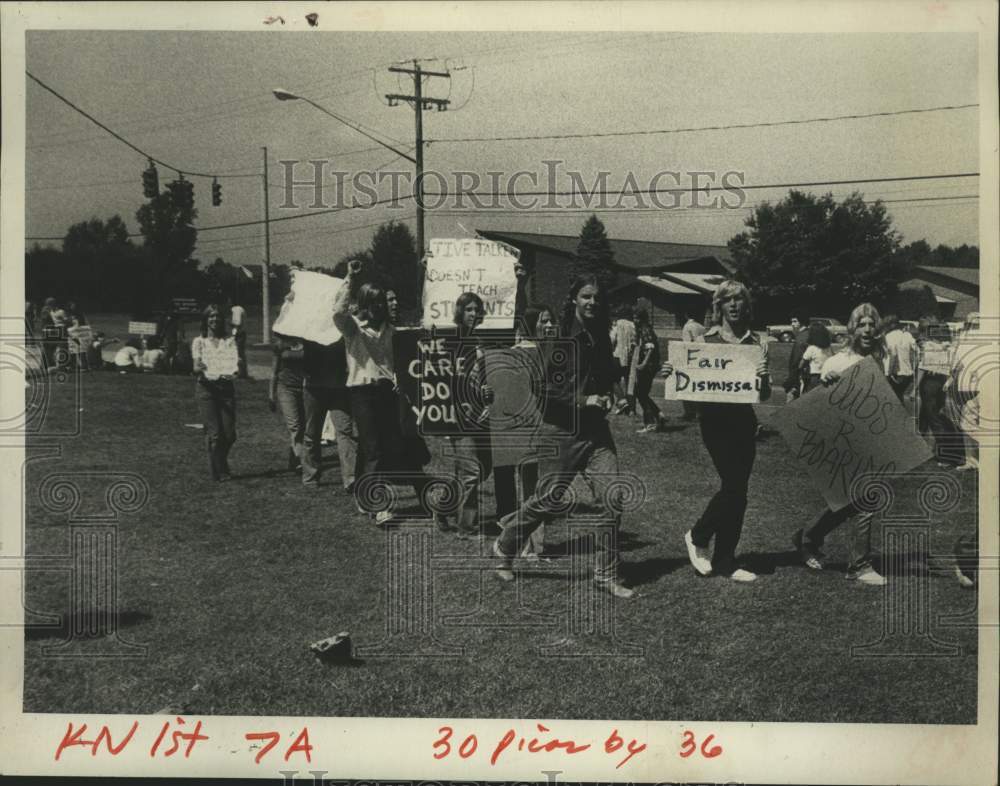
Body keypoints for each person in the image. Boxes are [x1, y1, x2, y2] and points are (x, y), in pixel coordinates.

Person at [492, 274, 635, 599]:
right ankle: (505, 545)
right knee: (546, 501)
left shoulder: (601, 334)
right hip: (561, 432)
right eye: (586, 296)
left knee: (612, 497)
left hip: (596, 432)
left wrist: (620, 394)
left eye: (597, 298)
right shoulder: (558, 340)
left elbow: (608, 373)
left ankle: (605, 574)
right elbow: (542, 390)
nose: (592, 303)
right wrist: (584, 401)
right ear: (574, 300)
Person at [663, 280, 770, 583]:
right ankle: (698, 536)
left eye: (739, 300)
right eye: (728, 300)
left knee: (739, 493)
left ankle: (725, 560)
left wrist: (763, 378)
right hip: (714, 423)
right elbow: (690, 386)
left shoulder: (755, 342)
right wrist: (672, 374)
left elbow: (760, 396)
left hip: (743, 422)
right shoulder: (705, 340)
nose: (734, 305)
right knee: (734, 486)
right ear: (719, 306)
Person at [333, 261, 443, 526]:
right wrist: (349, 277)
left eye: (381, 303)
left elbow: (406, 359)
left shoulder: (393, 332)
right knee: (373, 449)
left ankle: (366, 492)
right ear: (364, 304)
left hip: (387, 394)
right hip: (361, 393)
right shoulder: (354, 330)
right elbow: (337, 311)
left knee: (394, 446)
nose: (379, 308)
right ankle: (379, 506)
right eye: (373, 304)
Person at [792, 303, 889, 586]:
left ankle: (808, 538)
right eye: (862, 325)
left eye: (872, 325)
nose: (868, 330)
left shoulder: (882, 360)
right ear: (852, 329)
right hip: (841, 440)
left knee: (847, 503)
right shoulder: (836, 362)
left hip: (870, 438)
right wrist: (825, 383)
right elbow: (816, 406)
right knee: (865, 500)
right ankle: (859, 565)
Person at [447, 292, 496, 538]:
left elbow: (480, 374)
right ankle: (466, 527)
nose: (474, 314)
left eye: (477, 309)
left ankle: (442, 507)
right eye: (468, 309)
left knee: (485, 466)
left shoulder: (479, 341)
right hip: (459, 414)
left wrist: (485, 389)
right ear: (459, 311)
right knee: (471, 471)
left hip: (480, 412)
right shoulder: (450, 340)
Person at [300, 338, 358, 493]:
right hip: (315, 386)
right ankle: (310, 477)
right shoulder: (310, 331)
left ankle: (350, 478)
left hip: (338, 386)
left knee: (344, 431)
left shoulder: (340, 328)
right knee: (312, 432)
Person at [191, 304, 238, 481]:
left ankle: (220, 462)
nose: (215, 320)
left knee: (230, 434)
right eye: (211, 316)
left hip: (226, 389)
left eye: (218, 316)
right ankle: (217, 471)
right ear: (205, 319)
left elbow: (233, 363)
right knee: (215, 434)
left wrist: (234, 370)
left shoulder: (229, 341)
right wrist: (199, 367)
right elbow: (195, 366)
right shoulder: (199, 342)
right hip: (206, 389)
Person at [914, 319, 964, 467]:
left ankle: (947, 456)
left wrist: (914, 388)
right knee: (934, 417)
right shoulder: (948, 348)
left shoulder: (929, 347)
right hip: (941, 383)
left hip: (929, 383)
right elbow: (960, 366)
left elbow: (922, 369)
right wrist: (949, 381)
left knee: (934, 419)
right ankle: (926, 449)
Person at [268, 332, 307, 471]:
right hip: (285, 388)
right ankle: (300, 460)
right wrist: (271, 395)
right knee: (295, 425)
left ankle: (294, 455)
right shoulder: (280, 344)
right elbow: (274, 371)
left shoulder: (308, 340)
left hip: (305, 388)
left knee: (305, 425)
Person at [632, 305, 665, 433]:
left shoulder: (645, 329)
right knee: (642, 393)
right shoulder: (644, 329)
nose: (635, 320)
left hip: (648, 367)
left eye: (636, 318)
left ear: (641, 318)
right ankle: (658, 415)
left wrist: (643, 364)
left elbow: (650, 348)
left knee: (641, 393)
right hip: (651, 366)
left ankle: (650, 422)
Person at [882, 313, 917, 403]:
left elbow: (893, 355)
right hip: (907, 373)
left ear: (891, 325)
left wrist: (889, 373)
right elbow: (917, 350)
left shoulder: (889, 337)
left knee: (892, 400)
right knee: (898, 397)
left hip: (894, 373)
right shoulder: (907, 335)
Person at [679, 307, 707, 420]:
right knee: (697, 386)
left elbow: (687, 344)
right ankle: (699, 412)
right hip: (701, 359)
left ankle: (689, 412)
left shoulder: (687, 327)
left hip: (690, 358)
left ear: (686, 315)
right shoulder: (702, 327)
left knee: (685, 385)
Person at [610, 305, 636, 415]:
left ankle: (621, 400)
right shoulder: (633, 325)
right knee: (629, 383)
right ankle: (632, 409)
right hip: (630, 357)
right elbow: (635, 341)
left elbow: (612, 339)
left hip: (617, 356)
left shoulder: (617, 324)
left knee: (612, 379)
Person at [798, 322, 833, 394]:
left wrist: (800, 370)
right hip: (826, 376)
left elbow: (801, 364)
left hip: (814, 377)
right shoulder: (828, 348)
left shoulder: (812, 348)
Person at [783, 313, 810, 401]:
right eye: (791, 321)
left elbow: (796, 360)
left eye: (795, 321)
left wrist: (791, 380)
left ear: (802, 322)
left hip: (799, 376)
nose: (792, 324)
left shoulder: (801, 338)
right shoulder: (808, 333)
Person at [230, 300, 248, 378]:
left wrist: (230, 323)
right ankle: (242, 371)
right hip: (241, 333)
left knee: (238, 353)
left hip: (239, 333)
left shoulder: (236, 309)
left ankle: (240, 372)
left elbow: (237, 323)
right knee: (240, 353)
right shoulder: (241, 309)